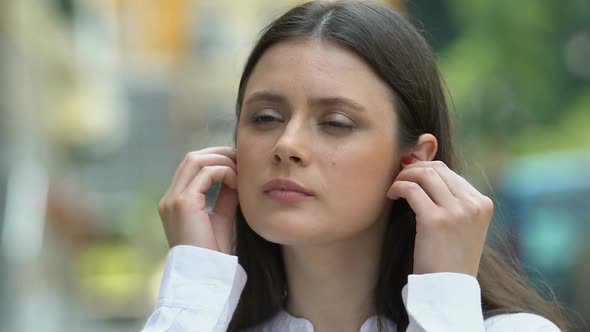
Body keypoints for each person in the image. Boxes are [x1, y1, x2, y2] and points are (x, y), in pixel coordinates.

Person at [142, 1, 566, 331]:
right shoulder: (198, 322)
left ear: (415, 162)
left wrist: (443, 299)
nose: (287, 144)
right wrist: (194, 288)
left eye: (336, 123)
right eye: (265, 118)